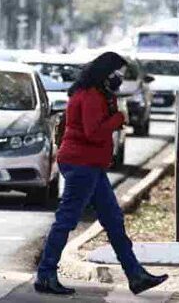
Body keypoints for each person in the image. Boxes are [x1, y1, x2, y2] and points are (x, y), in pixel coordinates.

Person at [35, 52, 169, 296]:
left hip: (90, 165)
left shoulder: (97, 94)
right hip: (81, 164)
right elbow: (93, 132)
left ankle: (135, 275)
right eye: (114, 72)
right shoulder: (90, 96)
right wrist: (117, 119)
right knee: (67, 220)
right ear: (103, 73)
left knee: (113, 220)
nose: (118, 77)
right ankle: (45, 274)